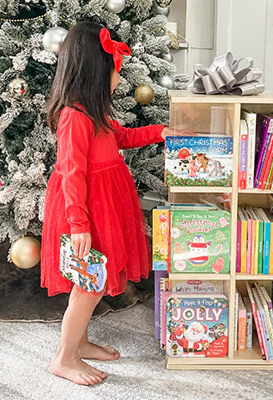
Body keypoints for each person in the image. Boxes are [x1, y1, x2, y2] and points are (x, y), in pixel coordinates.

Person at [41, 21, 191, 386]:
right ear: (95, 73)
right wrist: (79, 225)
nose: (119, 78)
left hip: (104, 205)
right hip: (87, 210)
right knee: (91, 283)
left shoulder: (93, 112)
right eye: (114, 71)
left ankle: (80, 343)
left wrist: (160, 132)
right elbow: (72, 173)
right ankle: (64, 358)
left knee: (92, 278)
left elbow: (120, 137)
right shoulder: (74, 117)